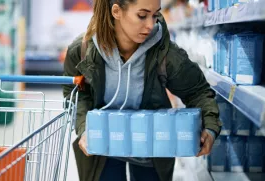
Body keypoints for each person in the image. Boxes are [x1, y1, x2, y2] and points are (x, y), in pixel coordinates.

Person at [62, 0, 222, 180]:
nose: (150, 25)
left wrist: (209, 127)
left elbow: (198, 91)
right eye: (142, 15)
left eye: (155, 15)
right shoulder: (82, 51)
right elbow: (75, 93)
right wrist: (84, 128)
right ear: (116, 11)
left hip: (151, 148)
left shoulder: (165, 54)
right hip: (103, 148)